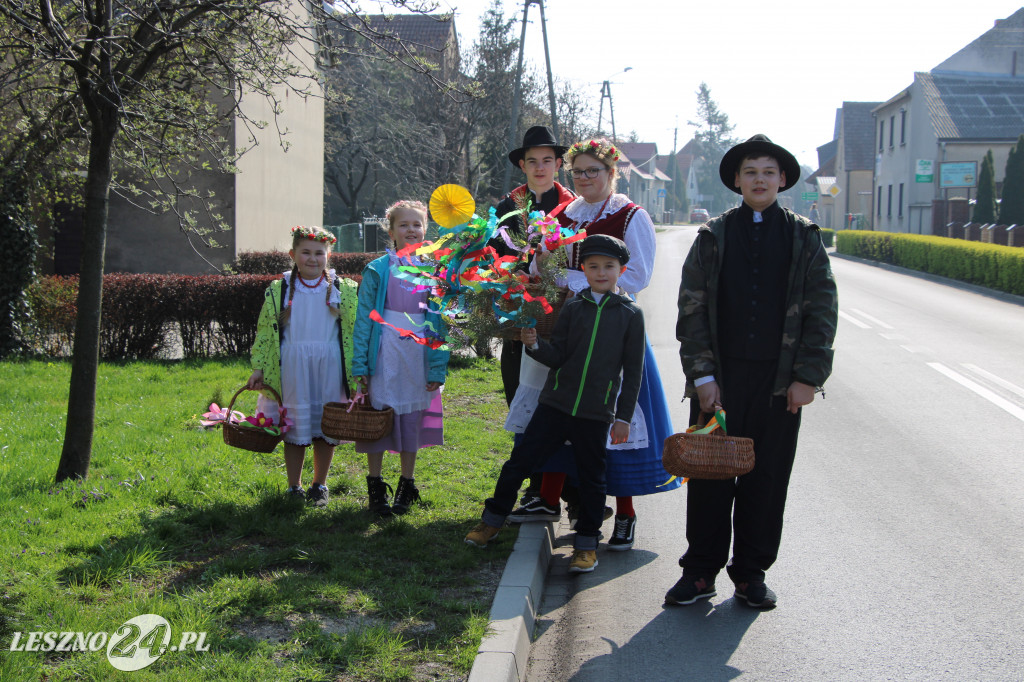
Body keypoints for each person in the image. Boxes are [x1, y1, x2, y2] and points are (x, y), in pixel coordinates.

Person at [668, 134, 838, 609]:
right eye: (750, 172)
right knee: (708, 474)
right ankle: (700, 571)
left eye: (768, 172)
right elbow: (692, 310)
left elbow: (823, 309)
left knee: (766, 480)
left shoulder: (804, 237)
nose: (759, 179)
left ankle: (750, 573)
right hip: (719, 380)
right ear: (737, 181)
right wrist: (702, 377)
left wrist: (808, 377)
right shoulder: (713, 236)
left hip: (780, 384)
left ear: (782, 180)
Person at [505, 138, 681, 550]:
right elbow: (541, 261)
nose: (584, 178)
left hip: (610, 333)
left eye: (593, 171)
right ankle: (547, 499)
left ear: (611, 173)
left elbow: (637, 277)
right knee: (554, 412)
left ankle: (625, 513)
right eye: (578, 172)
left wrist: (572, 281)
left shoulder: (630, 216)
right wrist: (538, 271)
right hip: (565, 330)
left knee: (609, 422)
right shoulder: (564, 213)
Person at [465, 235, 645, 574]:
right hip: (555, 404)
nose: (601, 272)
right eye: (593, 266)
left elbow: (633, 371)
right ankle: (490, 522)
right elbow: (558, 355)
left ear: (621, 270)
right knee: (519, 464)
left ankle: (587, 544)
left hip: (596, 412)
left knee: (593, 480)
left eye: (609, 266)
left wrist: (622, 418)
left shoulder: (631, 315)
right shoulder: (573, 307)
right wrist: (534, 345)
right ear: (584, 271)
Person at [492, 125, 577, 510]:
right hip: (518, 319)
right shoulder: (508, 206)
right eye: (532, 161)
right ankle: (532, 485)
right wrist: (506, 269)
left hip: (560, 319)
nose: (540, 167)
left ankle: (554, 490)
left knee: (558, 404)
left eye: (547, 161)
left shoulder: (575, 208)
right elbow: (493, 253)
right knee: (519, 399)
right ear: (523, 166)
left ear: (558, 165)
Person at [248, 225, 359, 507]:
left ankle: (319, 484)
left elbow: (356, 329)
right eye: (306, 252)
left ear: (329, 255)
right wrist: (259, 367)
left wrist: (360, 367)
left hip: (330, 366)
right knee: (294, 429)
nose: (312, 259)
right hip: (292, 367)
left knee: (326, 426)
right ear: (292, 254)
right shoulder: (280, 289)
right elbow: (264, 330)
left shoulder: (342, 289)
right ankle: (293, 486)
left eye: (319, 253)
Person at [352, 200, 450, 517]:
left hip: (417, 354)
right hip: (384, 352)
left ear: (426, 231)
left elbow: (439, 322)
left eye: (417, 225)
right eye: (404, 225)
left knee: (410, 421)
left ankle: (407, 484)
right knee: (379, 418)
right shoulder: (378, 270)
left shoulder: (434, 273)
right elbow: (364, 320)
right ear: (391, 230)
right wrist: (361, 365)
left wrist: (437, 365)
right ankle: (376, 485)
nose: (411, 230)